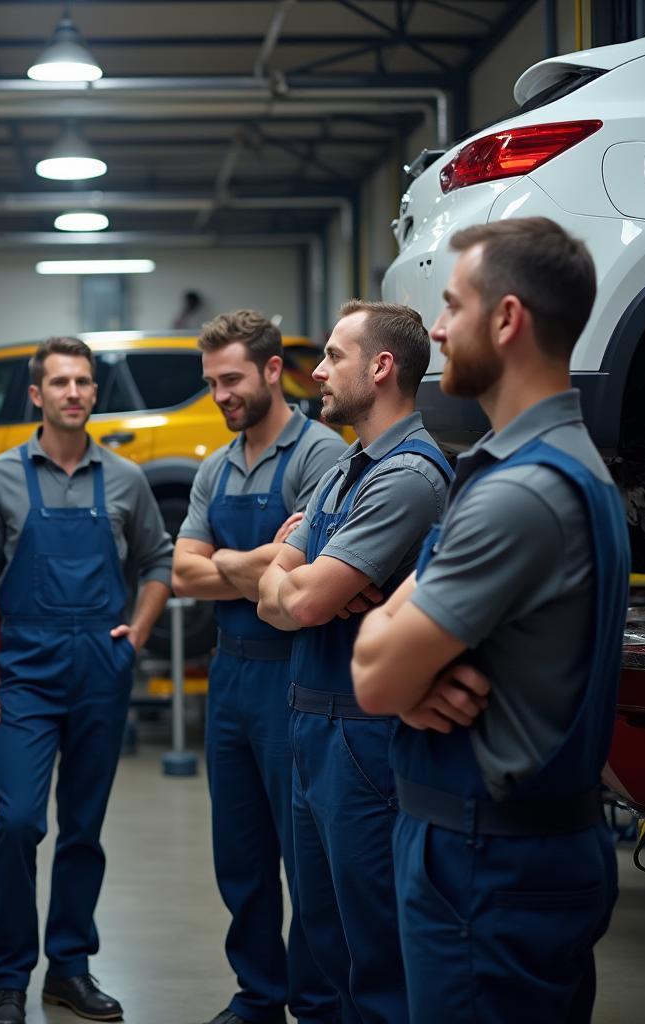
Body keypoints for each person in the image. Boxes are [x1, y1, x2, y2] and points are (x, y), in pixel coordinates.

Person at [351, 218, 629, 1023]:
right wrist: (409, 678)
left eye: (451, 305)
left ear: (506, 320)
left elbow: (370, 672)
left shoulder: (515, 494)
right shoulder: (563, 466)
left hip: (486, 859)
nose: (434, 330)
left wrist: (393, 652)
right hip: (518, 846)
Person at [0, 336, 173, 1024]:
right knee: (18, 823)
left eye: (83, 381)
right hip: (26, 678)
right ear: (36, 395)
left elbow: (159, 562)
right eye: (61, 382)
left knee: (84, 829)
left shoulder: (125, 478)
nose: (75, 392)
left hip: (100, 679)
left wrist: (136, 633)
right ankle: (10, 979)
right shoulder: (1, 476)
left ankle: (69, 969)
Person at [258, 301, 452, 1024]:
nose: (317, 371)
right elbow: (281, 584)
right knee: (321, 936)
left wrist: (294, 582)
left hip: (363, 739)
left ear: (381, 367)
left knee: (374, 953)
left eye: (334, 355)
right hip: (309, 721)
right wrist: (293, 581)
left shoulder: (407, 476)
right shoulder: (346, 467)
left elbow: (296, 599)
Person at [171, 310, 345, 1024]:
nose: (220, 395)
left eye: (232, 379)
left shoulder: (322, 455)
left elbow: (299, 570)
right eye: (212, 382)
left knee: (305, 856)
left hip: (295, 674)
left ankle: (315, 999)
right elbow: (183, 574)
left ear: (274, 371)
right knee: (239, 853)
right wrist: (256, 563)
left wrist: (224, 565)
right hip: (230, 673)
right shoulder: (216, 465)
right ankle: (258, 995)